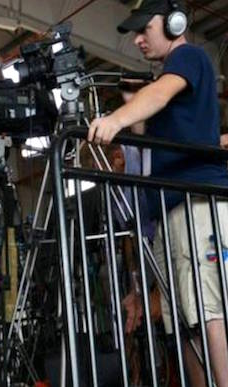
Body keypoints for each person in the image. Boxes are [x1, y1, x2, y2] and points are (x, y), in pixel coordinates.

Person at [88, 1, 228, 385]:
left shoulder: (188, 57)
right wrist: (131, 116)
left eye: (144, 30)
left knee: (208, 310)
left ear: (173, 23)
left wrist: (115, 119)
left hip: (196, 208)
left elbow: (162, 92)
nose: (138, 39)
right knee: (183, 321)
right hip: (171, 211)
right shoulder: (169, 83)